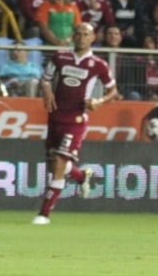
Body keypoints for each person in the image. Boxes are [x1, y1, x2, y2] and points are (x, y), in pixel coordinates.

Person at [34, 22, 118, 225]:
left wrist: (98, 101)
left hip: (76, 120)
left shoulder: (98, 64)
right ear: (73, 36)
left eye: (86, 34)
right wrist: (46, 89)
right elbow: (45, 79)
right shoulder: (60, 57)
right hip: (55, 117)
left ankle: (44, 214)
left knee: (60, 163)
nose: (81, 37)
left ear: (92, 38)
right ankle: (81, 176)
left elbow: (113, 91)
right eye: (78, 34)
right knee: (54, 163)